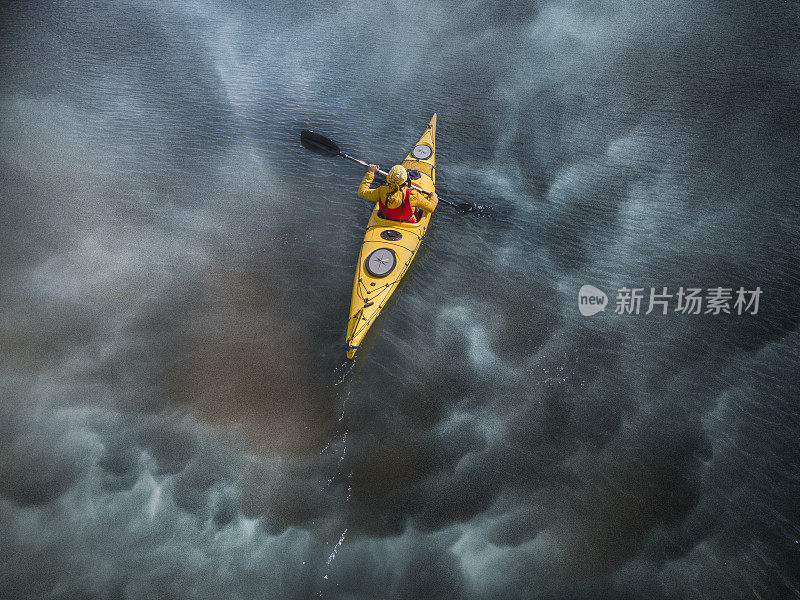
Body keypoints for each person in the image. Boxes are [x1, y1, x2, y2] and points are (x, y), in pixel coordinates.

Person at [357, 164, 438, 223]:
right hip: (407, 223)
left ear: (389, 177)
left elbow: (362, 192)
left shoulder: (381, 191)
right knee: (420, 206)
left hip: (385, 219)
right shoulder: (413, 195)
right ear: (405, 179)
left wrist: (371, 173)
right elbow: (431, 208)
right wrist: (433, 197)